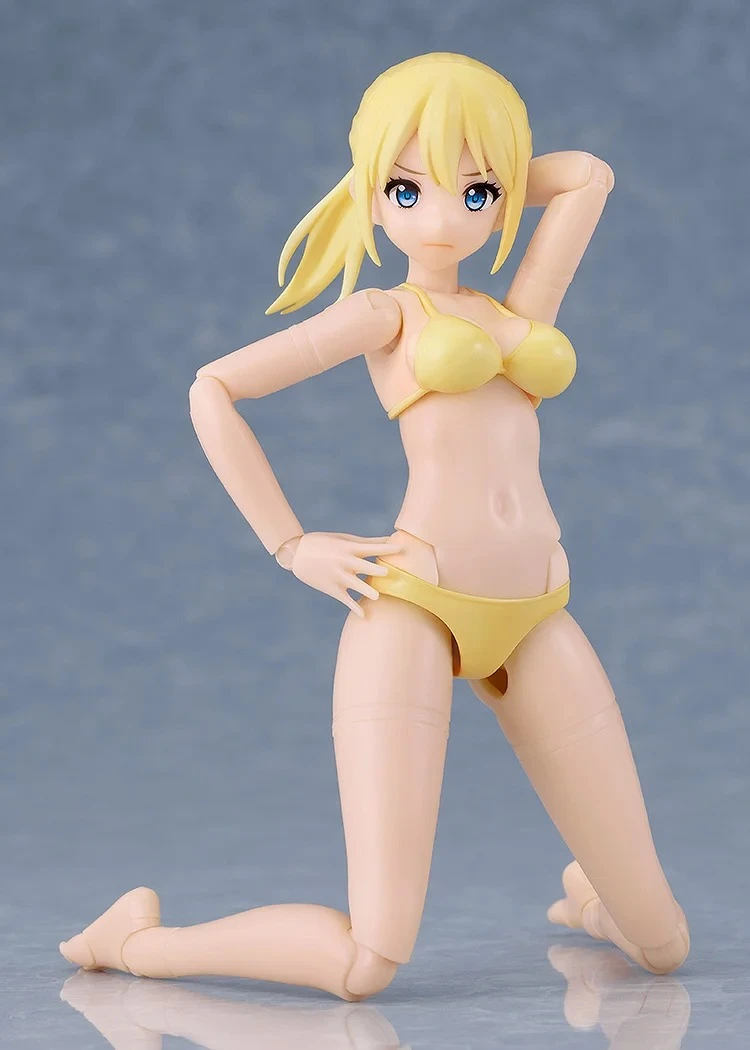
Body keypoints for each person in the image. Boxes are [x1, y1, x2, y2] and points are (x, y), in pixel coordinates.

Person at [59, 52, 689, 1001]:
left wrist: (490, 162)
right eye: (406, 188)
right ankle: (138, 942)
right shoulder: (383, 314)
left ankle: (592, 902)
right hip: (413, 606)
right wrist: (291, 543)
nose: (442, 217)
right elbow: (213, 388)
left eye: (476, 192)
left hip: (536, 613)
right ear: (370, 194)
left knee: (664, 947)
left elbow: (588, 177)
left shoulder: (517, 309)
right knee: (369, 961)